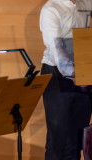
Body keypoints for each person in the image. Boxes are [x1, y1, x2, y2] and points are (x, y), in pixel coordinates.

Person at [40, 0, 92, 159]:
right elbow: (56, 47)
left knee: (77, 141)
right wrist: (72, 72)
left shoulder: (87, 3)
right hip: (57, 76)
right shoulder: (51, 9)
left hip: (83, 71)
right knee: (58, 142)